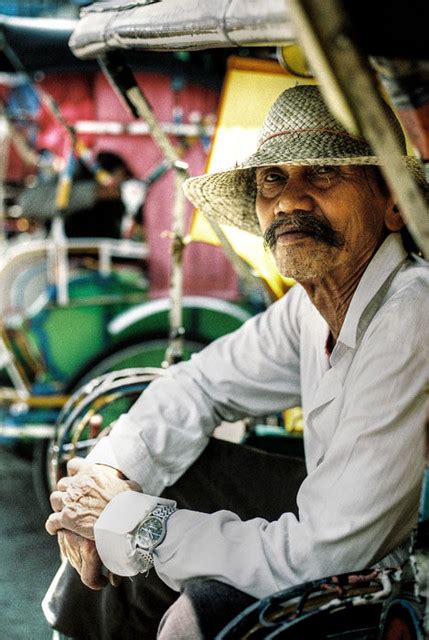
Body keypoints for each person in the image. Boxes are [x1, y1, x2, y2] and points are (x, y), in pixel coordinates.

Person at [44, 85, 429, 639]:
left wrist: (132, 521)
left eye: (322, 173)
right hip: (338, 538)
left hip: (395, 576)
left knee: (165, 569)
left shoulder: (410, 316)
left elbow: (324, 556)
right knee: (161, 478)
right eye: (273, 179)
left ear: (392, 201)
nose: (289, 200)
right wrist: (110, 476)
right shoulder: (311, 304)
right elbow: (200, 385)